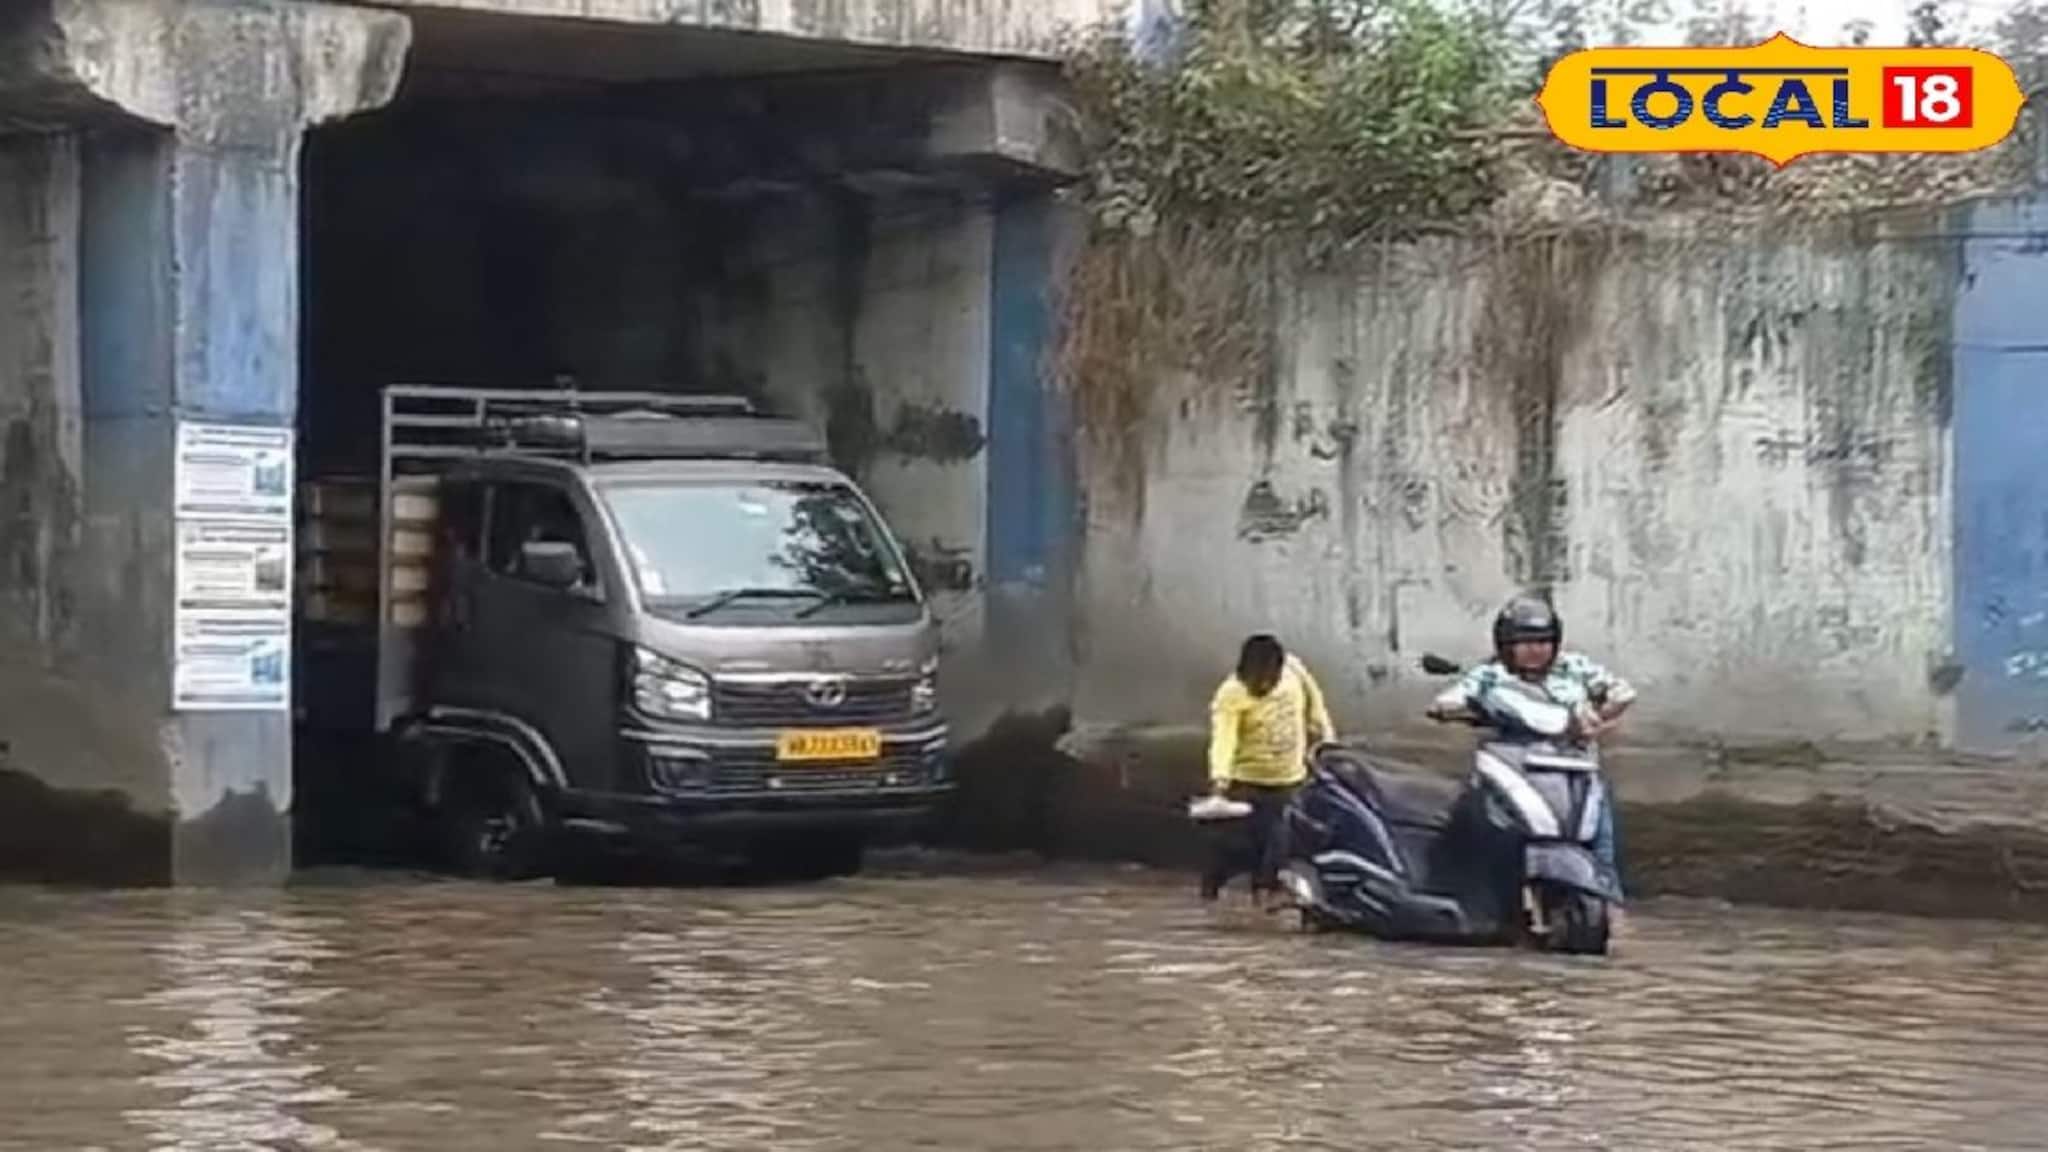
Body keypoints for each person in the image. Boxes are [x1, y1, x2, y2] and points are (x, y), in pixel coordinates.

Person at [1427, 594, 1636, 902]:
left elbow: (1622, 692)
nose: (1535, 650)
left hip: (1572, 763)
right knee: (1471, 811)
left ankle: (1610, 898)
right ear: (1506, 645)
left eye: (1543, 641)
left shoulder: (1574, 667)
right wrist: (1457, 710)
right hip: (1512, 761)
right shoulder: (1490, 675)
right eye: (1524, 642)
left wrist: (1598, 717)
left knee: (1601, 826)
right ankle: (1455, 888)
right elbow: (1447, 701)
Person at [1201, 633, 1336, 905]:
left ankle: (1264, 896)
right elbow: (1224, 738)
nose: (1263, 684)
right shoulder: (1231, 694)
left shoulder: (1295, 671)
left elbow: (1316, 707)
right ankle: (1212, 890)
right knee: (1236, 846)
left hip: (1288, 779)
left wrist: (1328, 740)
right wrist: (1220, 779)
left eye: (1269, 678)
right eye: (1256, 680)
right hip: (1246, 782)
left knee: (1278, 842)